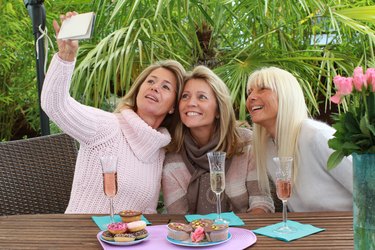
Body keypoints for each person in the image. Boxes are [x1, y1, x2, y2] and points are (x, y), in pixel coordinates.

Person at [41, 12, 186, 214]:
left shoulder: (160, 149)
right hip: (80, 236)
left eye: (165, 87)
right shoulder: (106, 127)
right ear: (138, 89)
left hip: (126, 243)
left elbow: (148, 212)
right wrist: (66, 56)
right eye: (150, 81)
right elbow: (55, 105)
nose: (154, 88)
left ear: (172, 106)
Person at [162, 65, 274, 214]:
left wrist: (240, 233)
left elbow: (261, 201)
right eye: (185, 96)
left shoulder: (246, 143)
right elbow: (178, 218)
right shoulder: (172, 160)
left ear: (218, 110)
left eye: (201, 97)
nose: (191, 103)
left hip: (244, 232)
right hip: (193, 236)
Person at [246, 66, 353, 212]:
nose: (251, 97)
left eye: (262, 89)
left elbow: (367, 188)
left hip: (347, 230)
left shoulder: (317, 136)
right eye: (249, 91)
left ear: (286, 95)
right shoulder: (266, 147)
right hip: (306, 230)